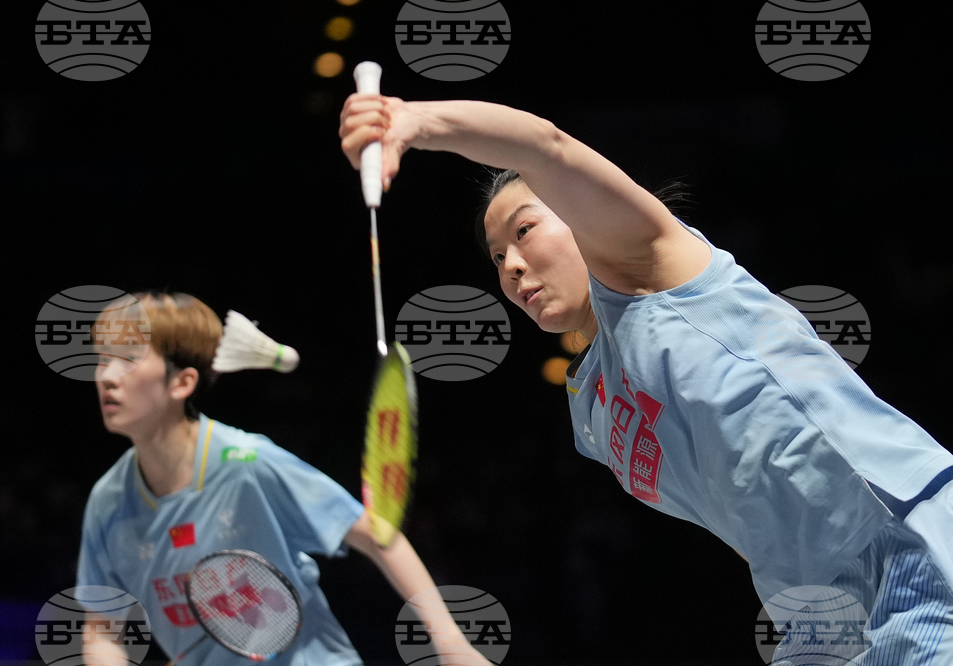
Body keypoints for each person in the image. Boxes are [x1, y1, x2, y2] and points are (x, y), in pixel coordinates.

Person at [339, 94, 953, 661]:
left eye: (524, 231)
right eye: (498, 258)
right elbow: (731, 513)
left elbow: (545, 145)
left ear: (580, 219)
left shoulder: (655, 265)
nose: (512, 266)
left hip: (896, 530)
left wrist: (416, 123)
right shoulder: (593, 416)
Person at [77, 291, 490, 666]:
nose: (106, 376)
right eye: (102, 358)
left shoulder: (248, 464)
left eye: (127, 357)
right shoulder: (108, 501)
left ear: (182, 382)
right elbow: (102, 630)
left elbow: (381, 538)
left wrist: (452, 644)